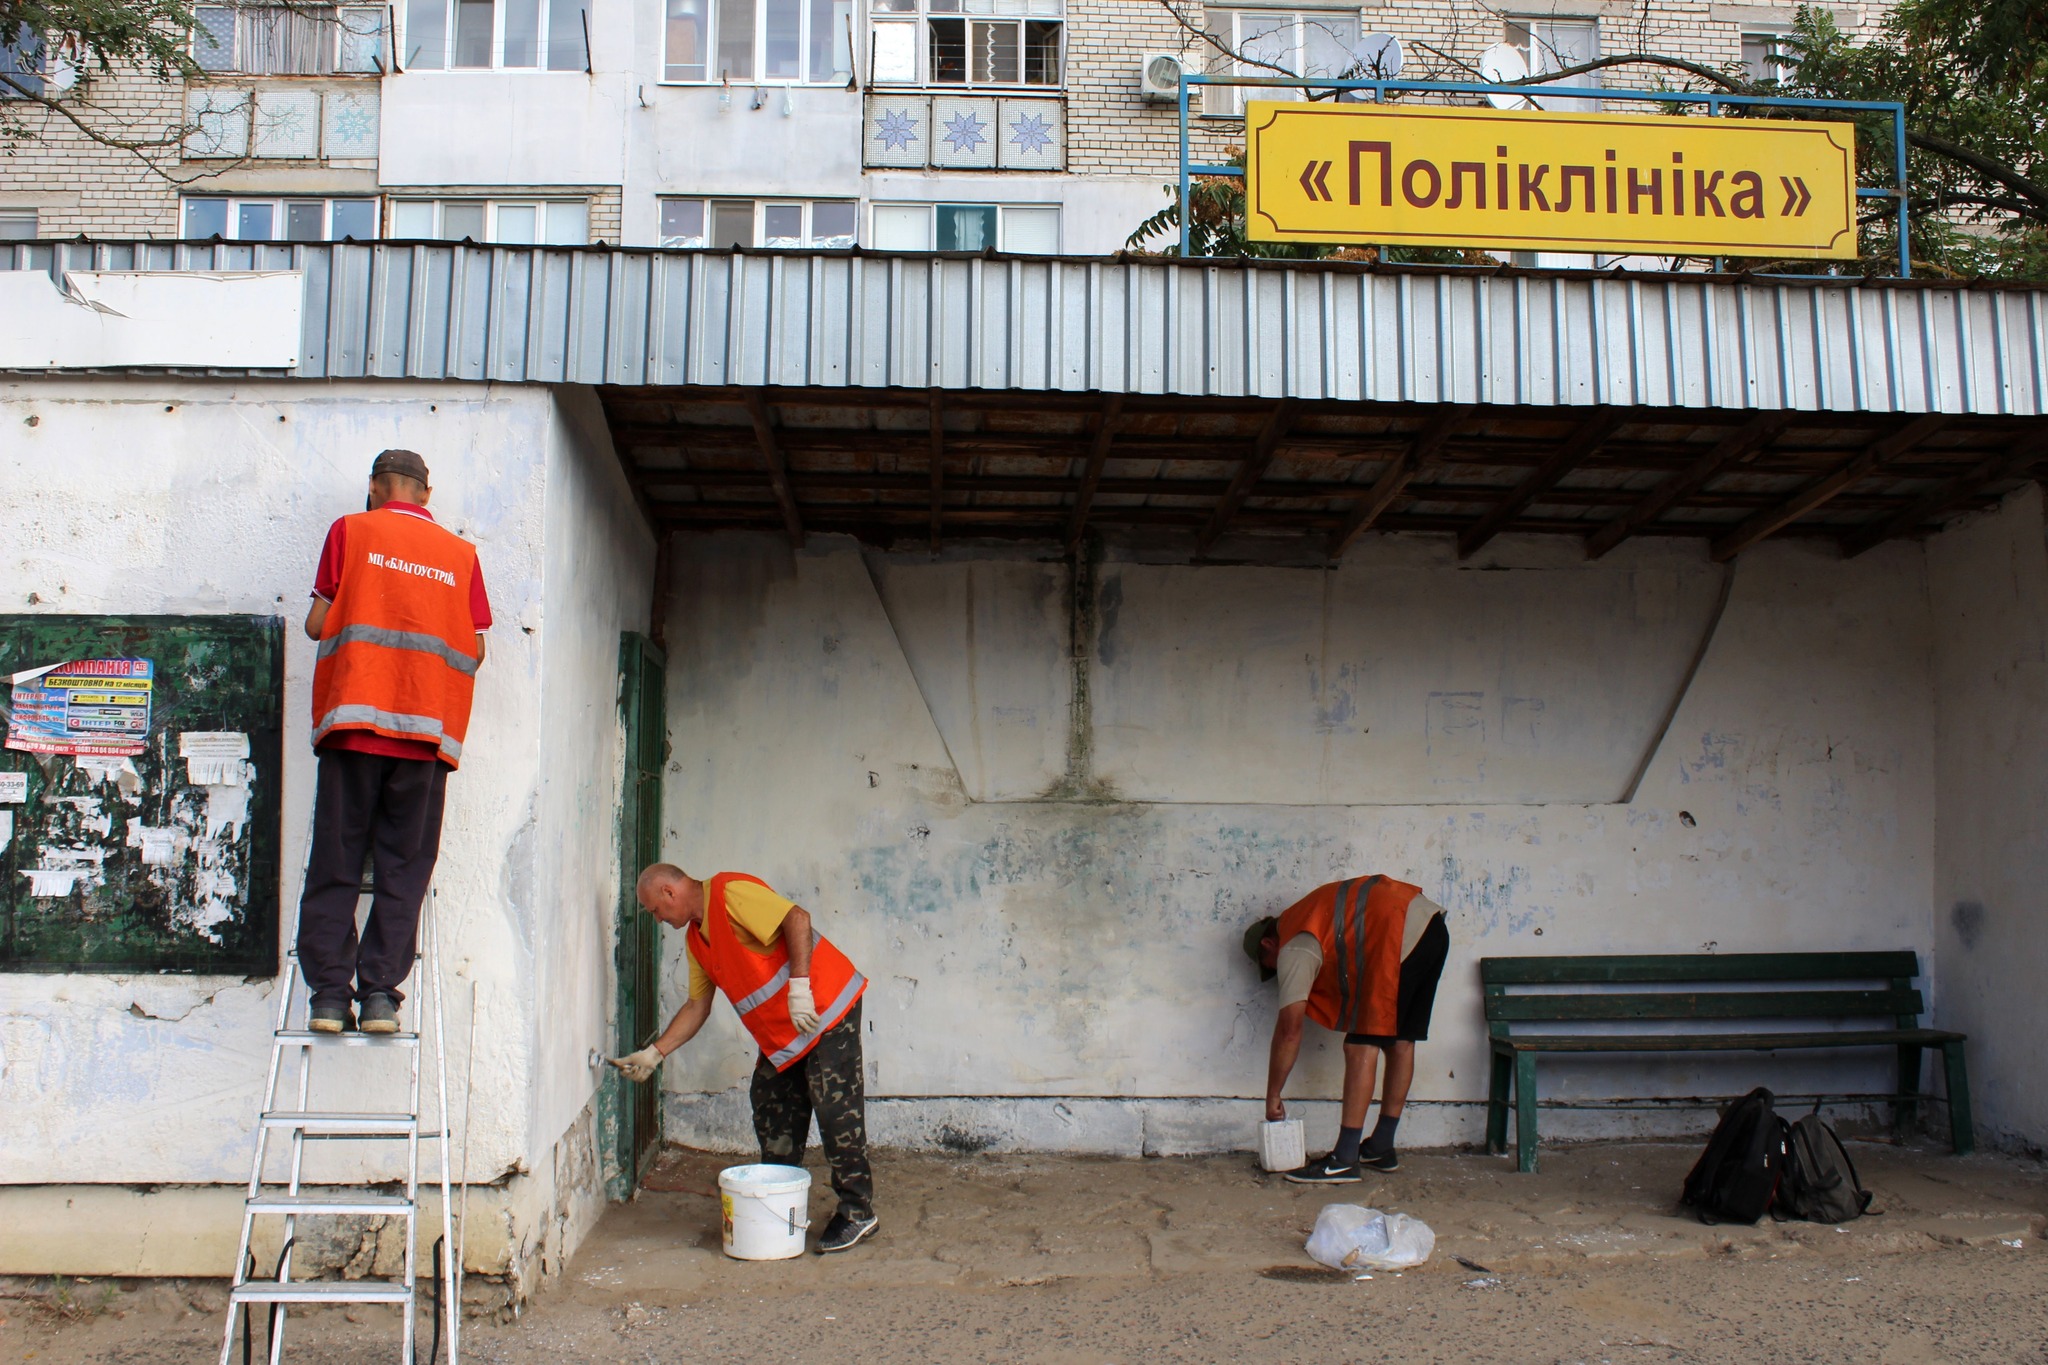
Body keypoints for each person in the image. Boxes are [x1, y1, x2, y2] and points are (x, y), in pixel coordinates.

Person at [297, 449, 489, 1034]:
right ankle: (381, 994)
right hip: (427, 737)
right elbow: (476, 649)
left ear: (376, 488)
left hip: (354, 726)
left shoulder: (351, 532)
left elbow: (315, 624)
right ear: (425, 495)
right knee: (405, 869)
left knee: (337, 861)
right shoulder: (461, 556)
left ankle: (330, 996)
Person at [612, 864, 879, 1253]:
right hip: (785, 1036)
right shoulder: (697, 941)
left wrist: (800, 986)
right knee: (772, 1105)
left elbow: (796, 918)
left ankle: (858, 1211)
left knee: (835, 1110)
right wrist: (655, 1053)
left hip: (825, 1009)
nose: (658, 919)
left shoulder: (727, 892)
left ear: (669, 892)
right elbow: (697, 1006)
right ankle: (781, 1196)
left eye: (655, 910)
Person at [1244, 875, 1450, 1182]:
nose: (1276, 972)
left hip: (1397, 931)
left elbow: (1290, 1029)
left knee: (1359, 1045)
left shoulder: (1294, 943)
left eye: (1269, 965)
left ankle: (1344, 1158)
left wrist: (1273, 1094)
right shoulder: (1310, 917)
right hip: (1431, 927)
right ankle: (1381, 1147)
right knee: (1401, 1042)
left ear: (1268, 944)